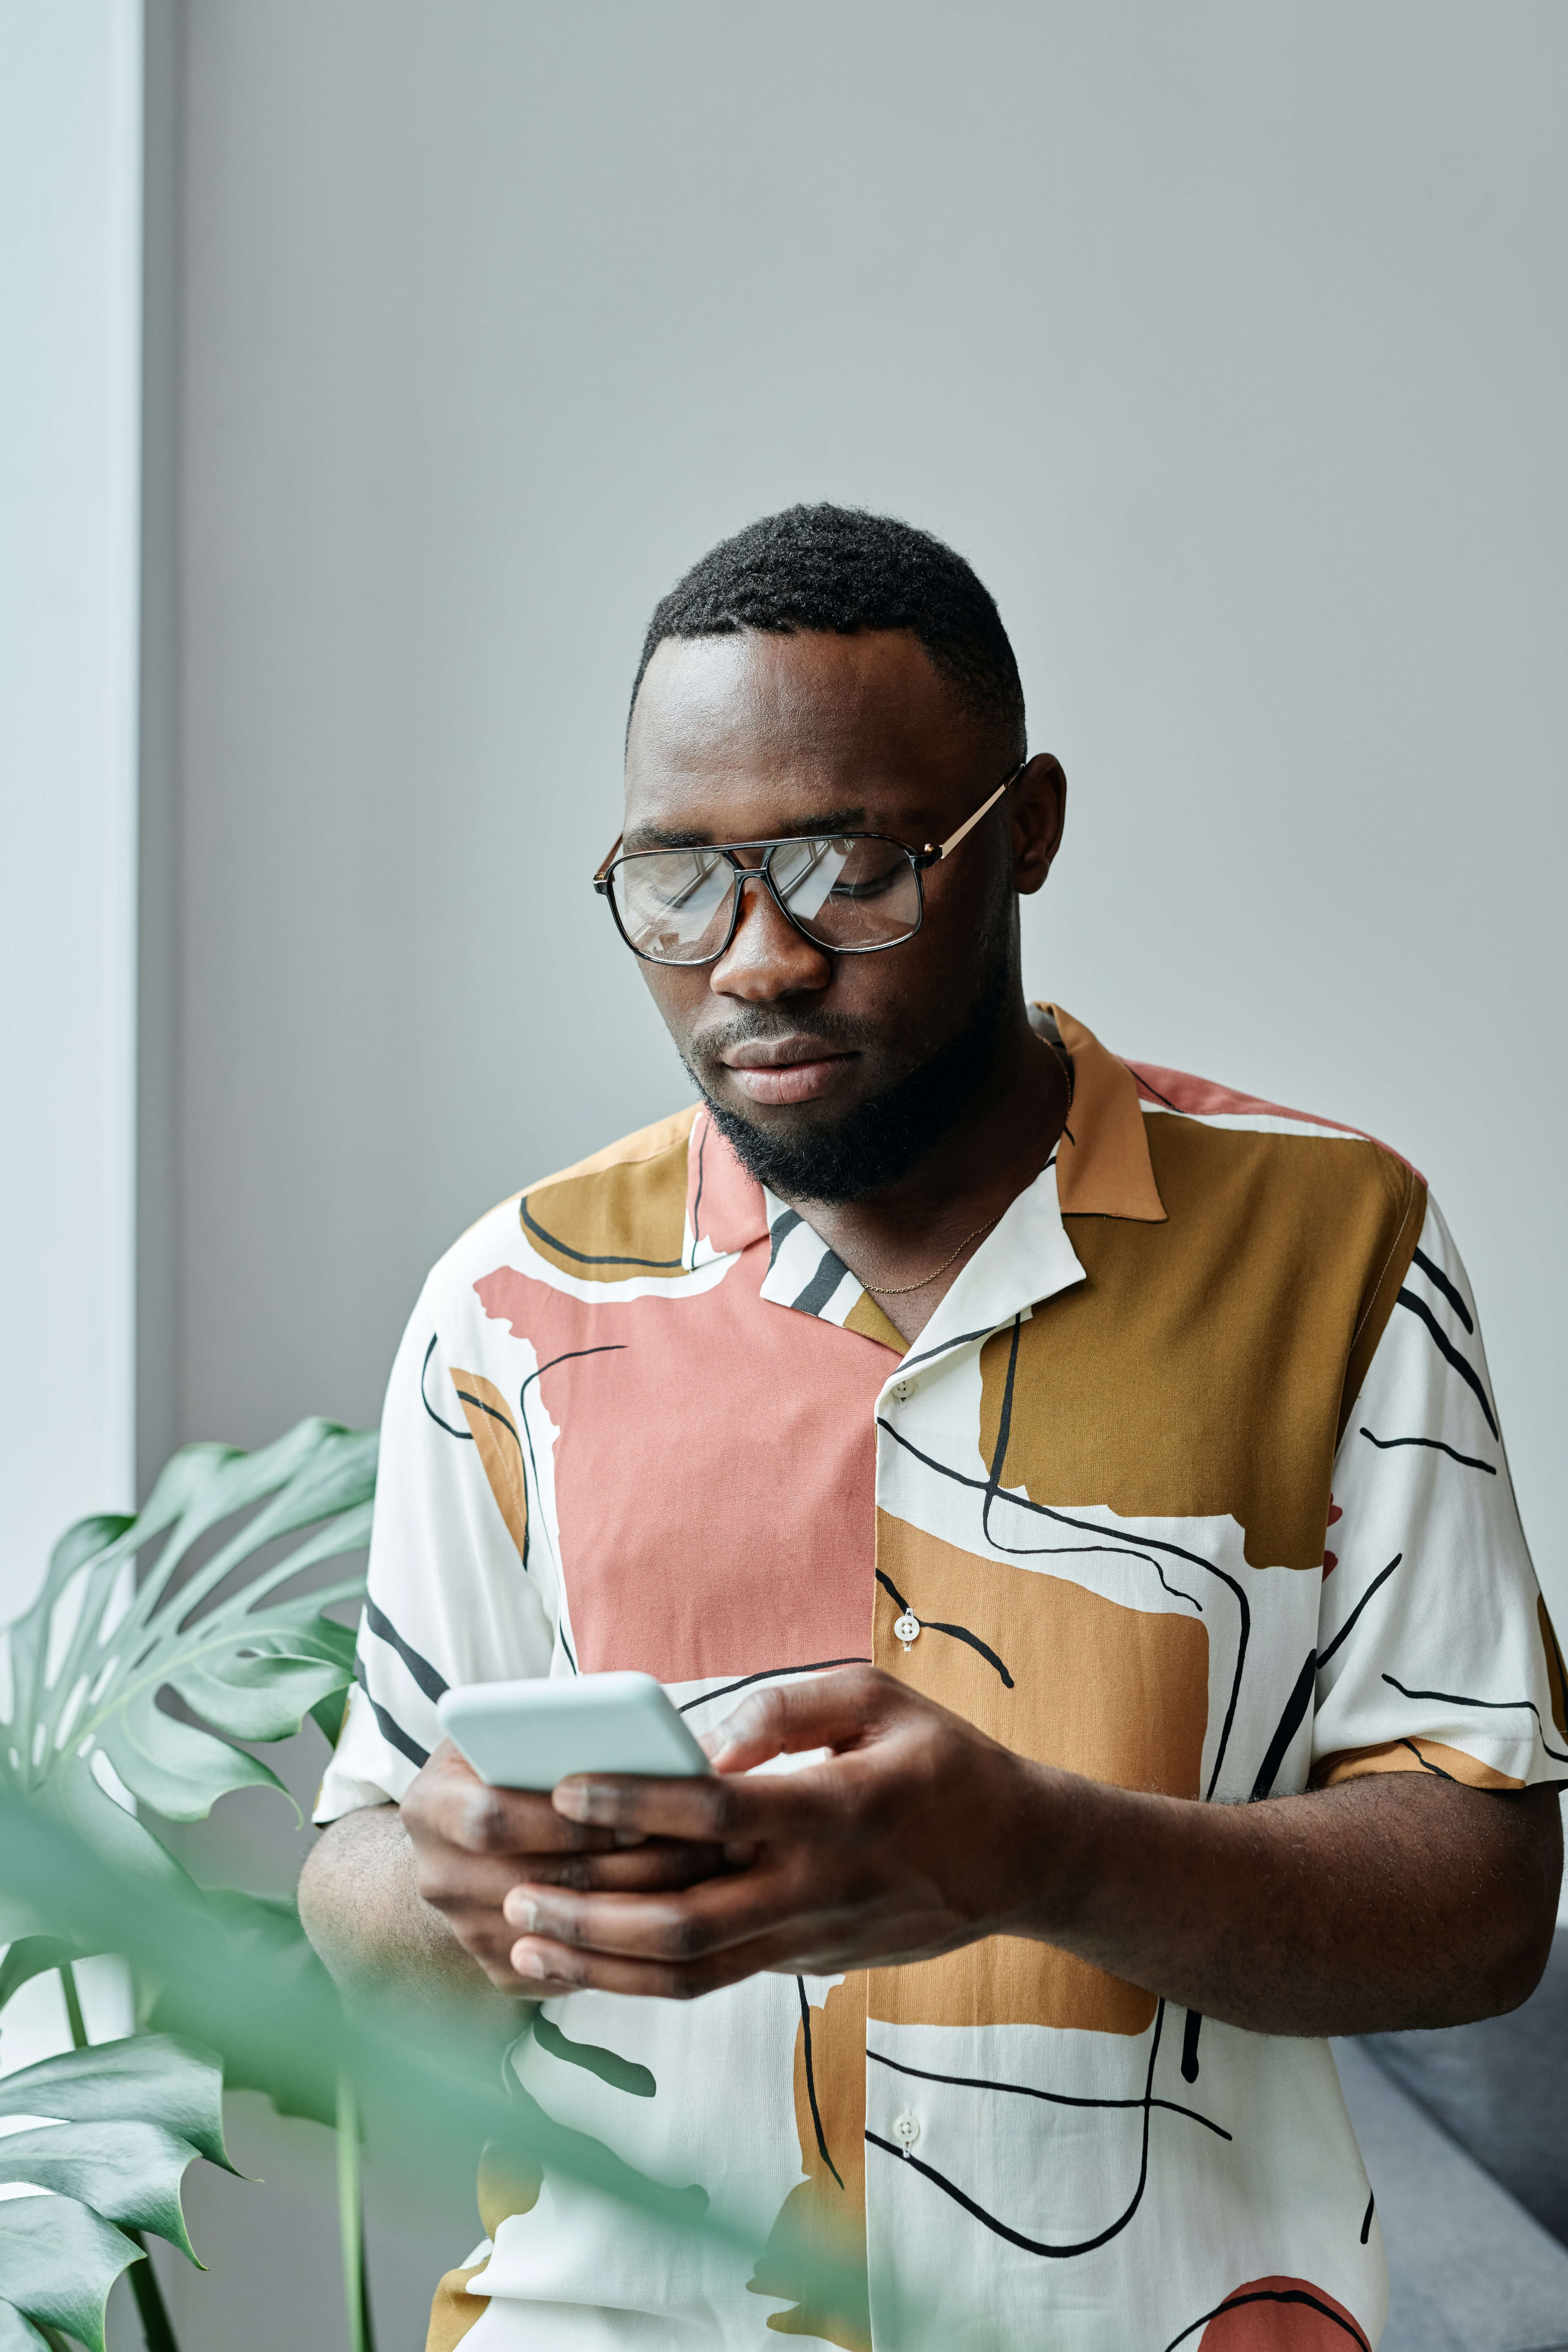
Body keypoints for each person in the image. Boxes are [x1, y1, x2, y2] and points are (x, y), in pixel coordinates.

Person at [299, 505, 1565, 2352]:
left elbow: (1481, 1907)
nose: (756, 959)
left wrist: (1039, 1856)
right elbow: (363, 1879)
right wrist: (451, 1883)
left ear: (1023, 828)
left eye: (848, 869)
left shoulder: (1334, 1243)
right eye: (677, 877)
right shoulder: (510, 1300)